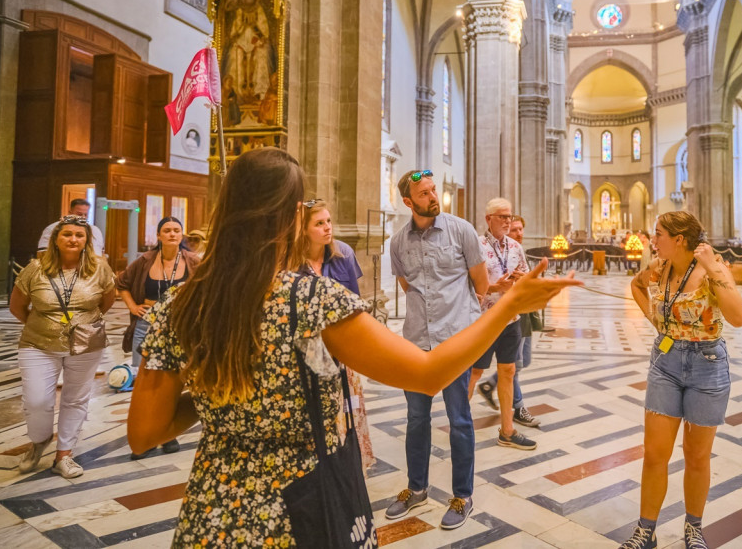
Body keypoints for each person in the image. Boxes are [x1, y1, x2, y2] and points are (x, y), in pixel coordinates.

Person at [127, 149, 580, 547]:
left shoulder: (182, 303)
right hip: (303, 506)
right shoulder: (310, 300)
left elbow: (145, 432)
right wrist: (509, 307)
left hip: (215, 511)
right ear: (289, 217)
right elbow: (426, 373)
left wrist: (225, 393)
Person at [625, 211, 742, 549]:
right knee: (654, 454)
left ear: (679, 239)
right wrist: (657, 321)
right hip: (665, 362)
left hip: (707, 365)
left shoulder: (712, 269)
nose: (653, 240)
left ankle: (694, 528)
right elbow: (636, 285)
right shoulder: (660, 268)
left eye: (659, 233)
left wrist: (714, 268)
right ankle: (645, 531)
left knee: (696, 456)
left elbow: (738, 316)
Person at [384, 169, 492, 530]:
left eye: (433, 190)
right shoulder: (398, 243)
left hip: (455, 343)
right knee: (416, 419)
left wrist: (463, 327)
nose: (432, 197)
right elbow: (406, 286)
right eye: (424, 193)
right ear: (408, 202)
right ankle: (417, 488)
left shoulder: (461, 230)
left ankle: (462, 496)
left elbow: (481, 283)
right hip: (417, 345)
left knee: (459, 419)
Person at [10, 215, 116, 479]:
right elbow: (17, 306)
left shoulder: (100, 268)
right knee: (37, 400)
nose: (73, 239)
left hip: (86, 343)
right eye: (67, 234)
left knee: (76, 398)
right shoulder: (35, 268)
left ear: (86, 241)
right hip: (38, 343)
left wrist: (82, 324)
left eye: (79, 235)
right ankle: (39, 440)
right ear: (55, 239)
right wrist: (45, 326)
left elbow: (107, 302)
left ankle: (64, 455)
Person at [291, 197, 375, 470]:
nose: (327, 228)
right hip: (304, 352)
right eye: (319, 223)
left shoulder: (344, 254)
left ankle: (348, 468)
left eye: (328, 221)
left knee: (344, 413)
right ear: (303, 230)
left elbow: (355, 304)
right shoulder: (290, 261)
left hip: (339, 349)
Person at [116, 216, 200, 458]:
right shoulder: (145, 260)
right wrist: (132, 306)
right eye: (167, 230)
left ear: (182, 235)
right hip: (148, 323)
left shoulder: (193, 261)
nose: (172, 234)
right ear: (159, 236)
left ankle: (168, 433)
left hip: (180, 327)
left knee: (175, 381)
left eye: (176, 230)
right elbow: (121, 283)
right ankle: (147, 434)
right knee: (146, 382)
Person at [467, 199, 536, 450]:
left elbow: (526, 278)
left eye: (510, 216)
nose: (508, 221)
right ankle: (461, 427)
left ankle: (507, 430)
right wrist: (496, 287)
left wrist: (523, 280)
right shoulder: (477, 245)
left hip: (511, 320)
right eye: (502, 216)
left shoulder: (515, 247)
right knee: (474, 372)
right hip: (485, 320)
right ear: (489, 219)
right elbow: (468, 283)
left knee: (508, 372)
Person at [477, 214, 542, 428]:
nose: (518, 233)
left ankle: (491, 387)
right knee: (512, 365)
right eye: (514, 229)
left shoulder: (516, 250)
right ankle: (518, 407)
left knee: (522, 362)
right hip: (494, 315)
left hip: (519, 314)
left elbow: (530, 280)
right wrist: (496, 287)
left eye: (520, 229)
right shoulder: (484, 246)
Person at [37, 198, 104, 256]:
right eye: (79, 214)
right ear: (70, 212)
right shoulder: (52, 228)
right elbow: (42, 253)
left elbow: (102, 254)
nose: (83, 217)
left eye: (85, 214)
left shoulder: (96, 230)